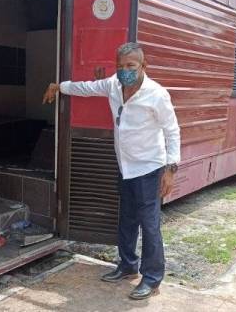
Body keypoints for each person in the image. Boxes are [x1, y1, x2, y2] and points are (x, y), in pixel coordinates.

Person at [42, 42, 180, 300]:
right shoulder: (114, 85)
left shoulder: (157, 94)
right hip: (125, 166)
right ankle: (128, 266)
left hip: (150, 168)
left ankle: (151, 278)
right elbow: (86, 87)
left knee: (149, 225)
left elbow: (172, 131)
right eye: (120, 66)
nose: (124, 71)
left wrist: (171, 169)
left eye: (130, 66)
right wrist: (59, 87)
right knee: (126, 219)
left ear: (143, 66)